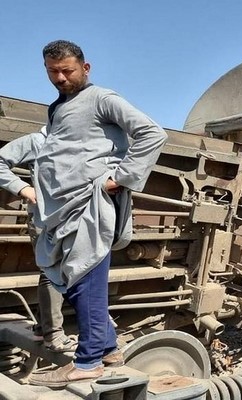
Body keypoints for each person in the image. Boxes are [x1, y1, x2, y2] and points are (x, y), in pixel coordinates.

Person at [9, 40, 167, 387]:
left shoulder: (102, 99)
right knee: (75, 279)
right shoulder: (57, 108)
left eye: (68, 70)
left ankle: (88, 362)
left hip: (89, 206)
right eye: (54, 72)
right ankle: (108, 349)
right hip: (62, 210)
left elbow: (152, 134)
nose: (61, 78)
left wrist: (120, 178)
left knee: (84, 281)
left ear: (86, 68)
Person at [0, 126, 78, 353]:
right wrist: (23, 188)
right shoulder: (38, 141)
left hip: (70, 218)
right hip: (45, 220)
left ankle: (45, 328)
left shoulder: (81, 143)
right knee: (52, 269)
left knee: (61, 270)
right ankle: (52, 334)